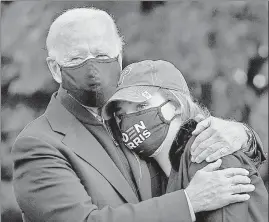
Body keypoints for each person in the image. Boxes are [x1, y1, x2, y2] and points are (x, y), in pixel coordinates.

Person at [12, 8, 265, 222]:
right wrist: (188, 202)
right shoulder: (38, 144)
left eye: (101, 55)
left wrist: (244, 135)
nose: (91, 68)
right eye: (77, 58)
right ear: (55, 68)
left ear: (119, 57)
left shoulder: (135, 125)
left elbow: (229, 162)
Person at [102, 60, 268, 221]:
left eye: (141, 106)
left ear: (176, 105)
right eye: (121, 115)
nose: (129, 119)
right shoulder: (159, 172)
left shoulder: (208, 153)